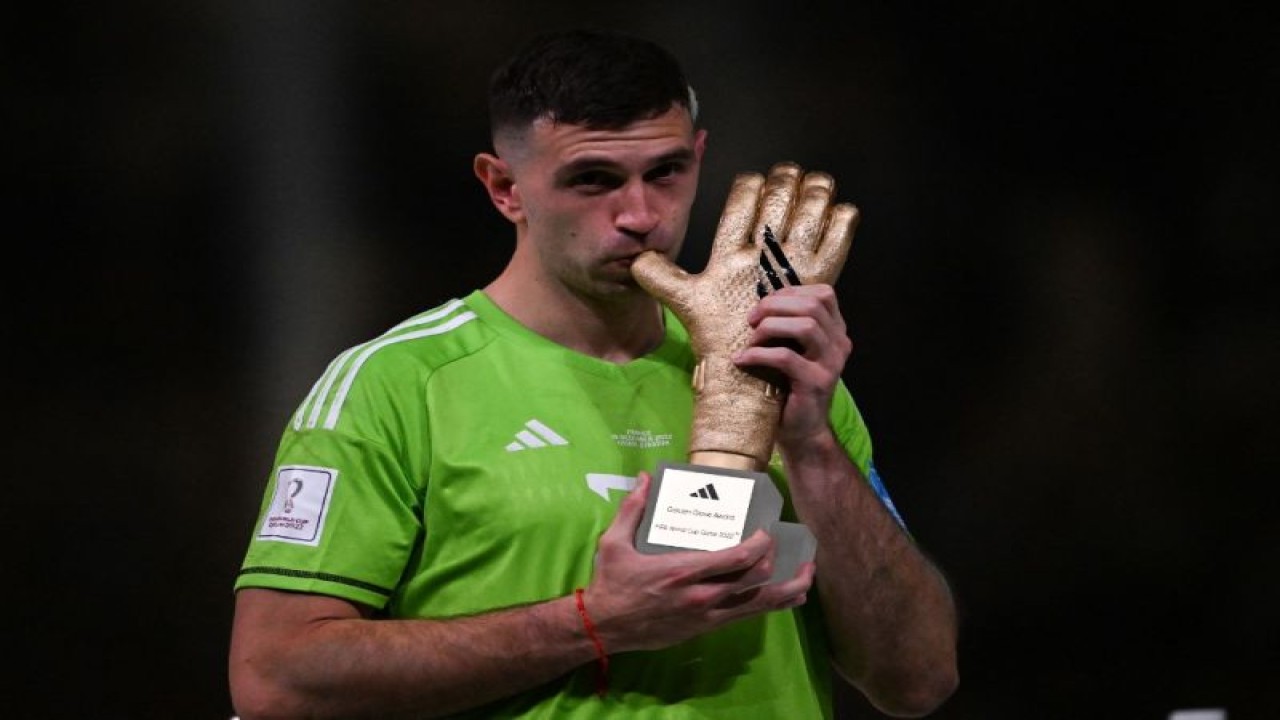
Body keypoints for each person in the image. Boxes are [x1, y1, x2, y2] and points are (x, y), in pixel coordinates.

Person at [228, 28, 958, 719]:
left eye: (666, 172)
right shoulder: (399, 384)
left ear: (700, 157)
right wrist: (594, 622)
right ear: (503, 187)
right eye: (593, 179)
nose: (640, 215)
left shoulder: (781, 371)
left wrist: (812, 445)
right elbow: (274, 680)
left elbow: (919, 680)